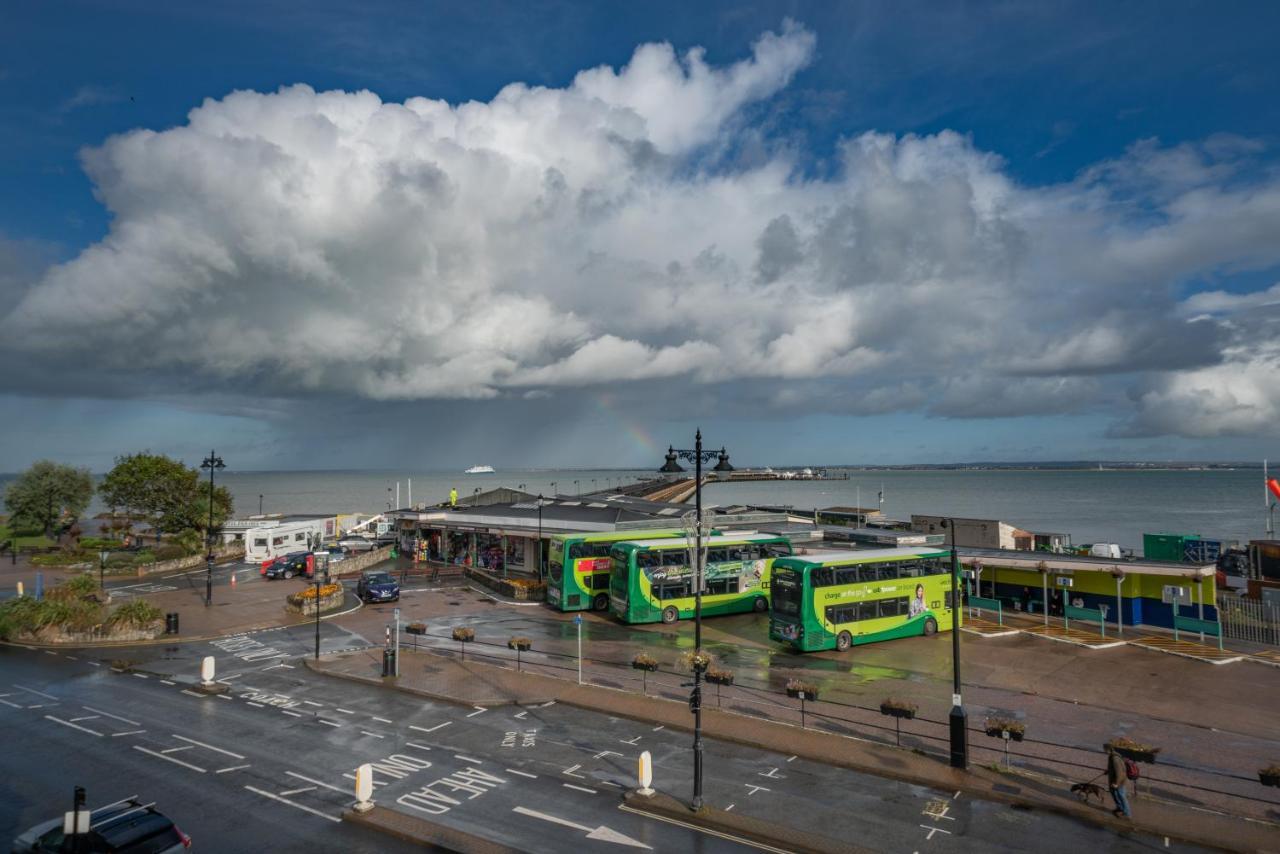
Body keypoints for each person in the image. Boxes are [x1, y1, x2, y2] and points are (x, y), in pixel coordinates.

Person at [1106, 746, 1132, 819]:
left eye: (1105, 750)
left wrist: (1117, 784)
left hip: (1119, 781)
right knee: (1114, 793)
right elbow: (1114, 768)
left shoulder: (1115, 759)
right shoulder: (1112, 757)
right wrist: (1108, 771)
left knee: (1122, 796)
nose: (1104, 751)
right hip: (1114, 780)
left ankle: (1127, 814)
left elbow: (1119, 772)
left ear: (1109, 749)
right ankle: (1120, 808)